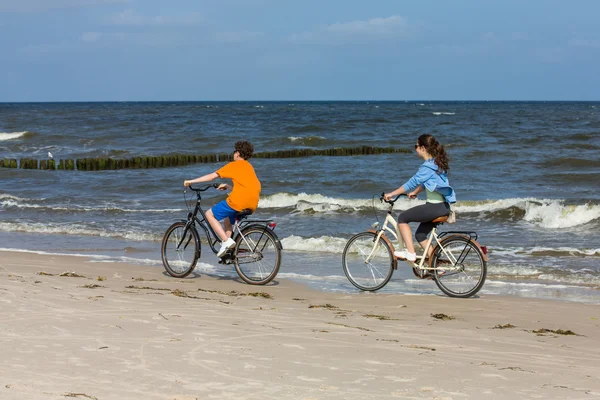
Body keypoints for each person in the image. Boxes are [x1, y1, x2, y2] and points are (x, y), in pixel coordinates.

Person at [384, 134, 456, 262]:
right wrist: (416, 192)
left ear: (423, 148)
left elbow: (412, 182)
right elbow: (426, 183)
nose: (415, 149)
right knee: (420, 235)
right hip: (443, 206)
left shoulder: (427, 166)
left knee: (402, 218)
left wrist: (391, 194)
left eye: (416, 146)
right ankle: (436, 267)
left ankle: (410, 252)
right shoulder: (436, 163)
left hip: (435, 207)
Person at [184, 141, 261, 257]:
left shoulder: (234, 165)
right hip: (252, 202)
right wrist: (228, 186)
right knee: (227, 221)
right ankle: (227, 252)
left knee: (209, 214)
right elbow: (246, 187)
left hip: (238, 201)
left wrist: (191, 181)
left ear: (238, 153)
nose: (233, 153)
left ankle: (226, 241)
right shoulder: (249, 166)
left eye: (234, 151)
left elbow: (211, 176)